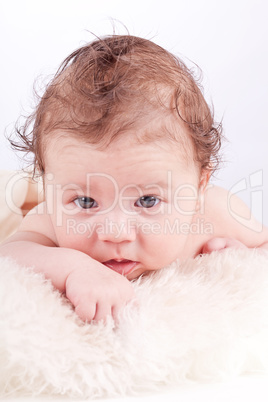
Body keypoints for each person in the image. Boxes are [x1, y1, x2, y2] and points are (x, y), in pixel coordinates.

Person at [1, 35, 267, 323]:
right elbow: (11, 253)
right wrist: (74, 268)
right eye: (86, 201)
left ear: (199, 187)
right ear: (49, 189)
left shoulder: (217, 213)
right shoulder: (50, 221)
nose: (115, 232)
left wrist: (245, 255)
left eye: (147, 200)